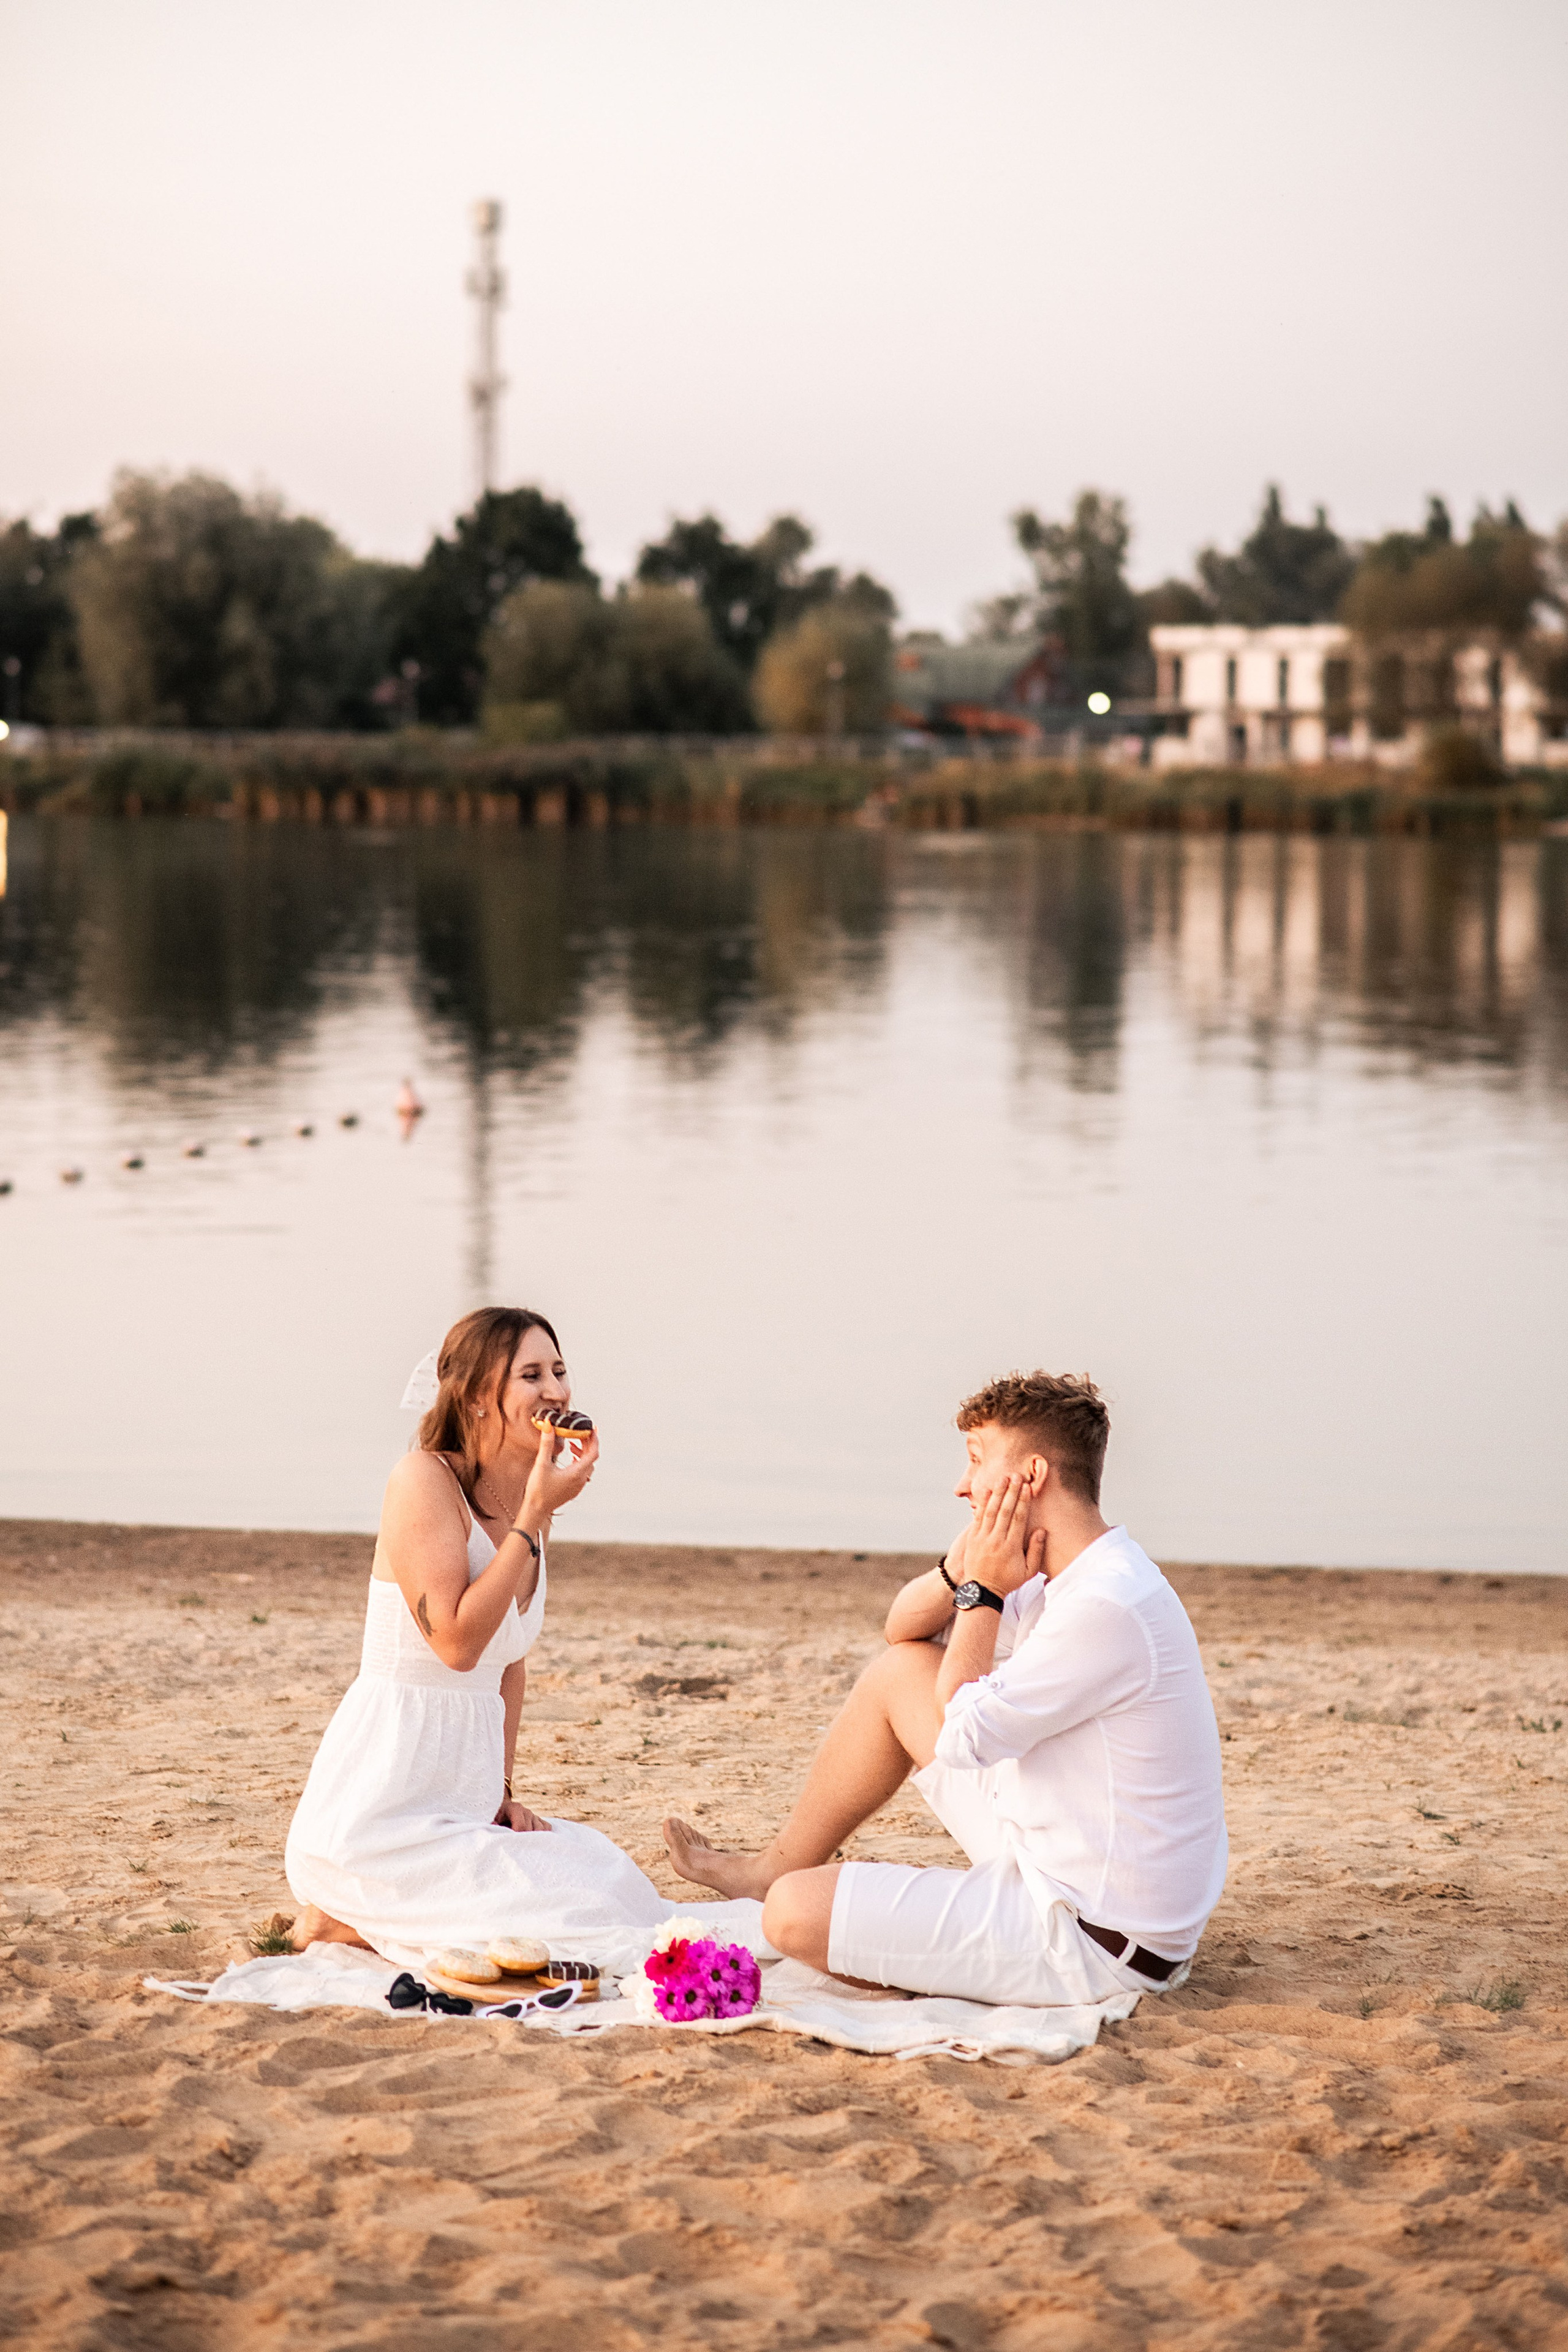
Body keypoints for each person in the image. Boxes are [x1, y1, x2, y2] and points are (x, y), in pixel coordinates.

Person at [664, 1371, 1227, 2007]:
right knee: (902, 1672)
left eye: (977, 1461)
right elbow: (901, 1629)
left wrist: (982, 1594)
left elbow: (962, 1738)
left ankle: (854, 1923)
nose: (962, 1486)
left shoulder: (1107, 1604)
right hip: (1052, 1858)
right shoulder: (1068, 1574)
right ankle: (775, 1866)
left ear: (1030, 1477)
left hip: (1091, 1939)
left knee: (794, 1917)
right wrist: (963, 1569)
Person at [285, 1306, 668, 1962]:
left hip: (464, 1794)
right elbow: (458, 1646)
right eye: (530, 1375)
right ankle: (339, 1918)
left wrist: (501, 1795)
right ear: (476, 1398)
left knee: (606, 1877)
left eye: (559, 1370)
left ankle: (370, 1918)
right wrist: (537, 1513)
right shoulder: (424, 1481)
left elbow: (508, 1661)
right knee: (573, 1916)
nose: (555, 1390)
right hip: (384, 1798)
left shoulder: (526, 1497)